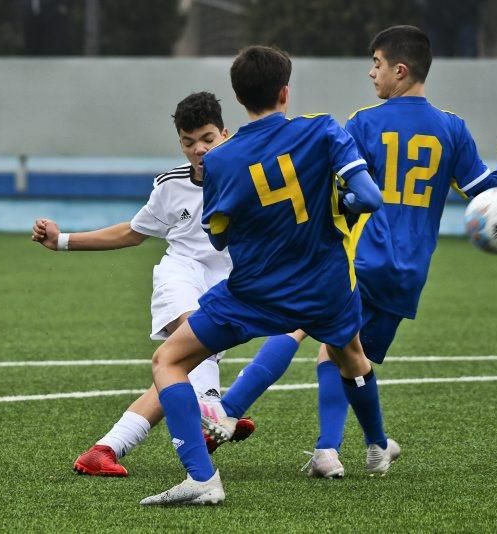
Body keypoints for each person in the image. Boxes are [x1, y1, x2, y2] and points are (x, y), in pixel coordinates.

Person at [205, 25, 497, 479]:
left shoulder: (364, 123)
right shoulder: (452, 129)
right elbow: (488, 195)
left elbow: (341, 185)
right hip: (409, 272)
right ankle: (362, 448)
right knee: (341, 353)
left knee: (302, 327)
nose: (371, 72)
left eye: (376, 63)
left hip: (358, 255)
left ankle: (233, 409)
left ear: (400, 70)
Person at [140, 45, 396, 506]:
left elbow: (218, 238)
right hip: (325, 287)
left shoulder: (220, 160)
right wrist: (341, 204)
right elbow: (370, 198)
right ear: (285, 91)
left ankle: (202, 479)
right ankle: (377, 447)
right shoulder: (322, 130)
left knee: (168, 362)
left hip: (254, 294)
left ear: (238, 101)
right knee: (352, 355)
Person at [30, 92, 297, 476]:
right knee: (194, 340)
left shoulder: (252, 178)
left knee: (176, 373)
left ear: (225, 134)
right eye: (189, 143)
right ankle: (213, 411)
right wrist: (62, 241)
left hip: (230, 288)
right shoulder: (171, 185)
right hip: (181, 275)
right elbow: (132, 232)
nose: (199, 149)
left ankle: (104, 450)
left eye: (207, 139)